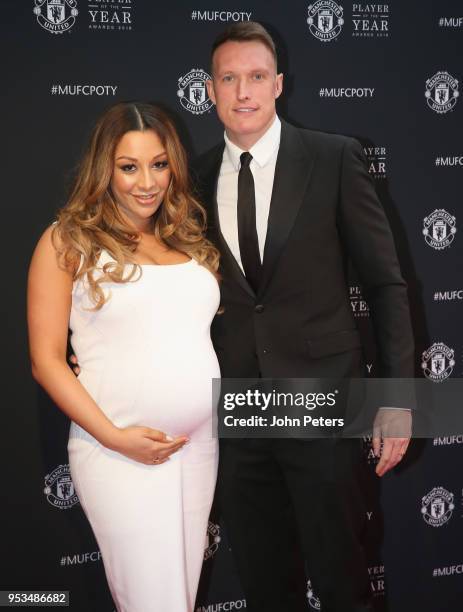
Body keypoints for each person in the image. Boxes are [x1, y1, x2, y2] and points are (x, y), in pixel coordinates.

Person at [191, 22, 414, 612]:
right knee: (266, 584)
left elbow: (387, 284)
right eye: (229, 78)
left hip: (325, 403)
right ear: (209, 89)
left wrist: (397, 398)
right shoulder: (190, 177)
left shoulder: (334, 158)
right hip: (238, 411)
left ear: (279, 84)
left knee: (344, 578)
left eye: (257, 77)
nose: (244, 92)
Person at [27, 102, 221, 612]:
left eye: (159, 164)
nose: (147, 182)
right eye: (129, 166)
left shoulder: (187, 241)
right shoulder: (67, 242)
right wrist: (114, 437)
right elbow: (46, 361)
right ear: (104, 168)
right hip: (117, 450)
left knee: (178, 597)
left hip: (197, 446)